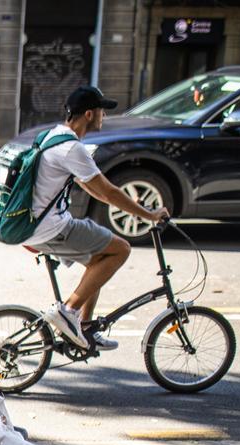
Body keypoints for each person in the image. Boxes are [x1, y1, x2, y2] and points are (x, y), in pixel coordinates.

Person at [29, 85, 169, 351]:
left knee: (99, 262)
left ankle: (85, 329)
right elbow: (108, 190)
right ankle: (68, 311)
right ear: (90, 114)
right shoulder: (72, 148)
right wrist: (149, 215)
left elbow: (93, 187)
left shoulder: (55, 136)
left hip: (41, 224)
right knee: (121, 249)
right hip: (51, 227)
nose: (105, 116)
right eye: (103, 111)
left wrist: (125, 203)